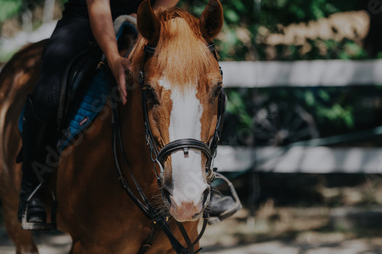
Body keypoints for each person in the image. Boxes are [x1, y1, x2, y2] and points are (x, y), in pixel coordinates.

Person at [18, 0, 240, 230]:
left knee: (200, 91)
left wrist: (150, 18)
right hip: (85, 18)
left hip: (150, 17)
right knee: (48, 96)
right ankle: (32, 186)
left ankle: (201, 178)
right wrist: (113, 58)